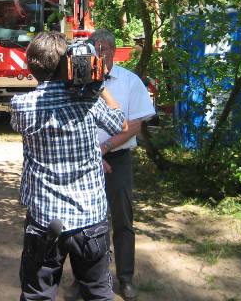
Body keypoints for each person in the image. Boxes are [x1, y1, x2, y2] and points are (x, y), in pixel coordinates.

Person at [10, 31, 127, 300]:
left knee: (37, 295)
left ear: (31, 67)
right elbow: (120, 124)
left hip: (45, 221)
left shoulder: (22, 105)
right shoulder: (88, 102)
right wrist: (100, 87)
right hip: (90, 219)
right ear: (69, 64)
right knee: (98, 293)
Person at [87, 29, 156, 301]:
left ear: (114, 51)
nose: (100, 55)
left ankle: (125, 277)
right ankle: (89, 277)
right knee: (88, 223)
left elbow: (135, 126)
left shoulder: (129, 82)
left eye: (104, 50)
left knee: (122, 220)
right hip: (85, 160)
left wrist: (104, 148)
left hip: (117, 160)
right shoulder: (79, 81)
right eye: (95, 50)